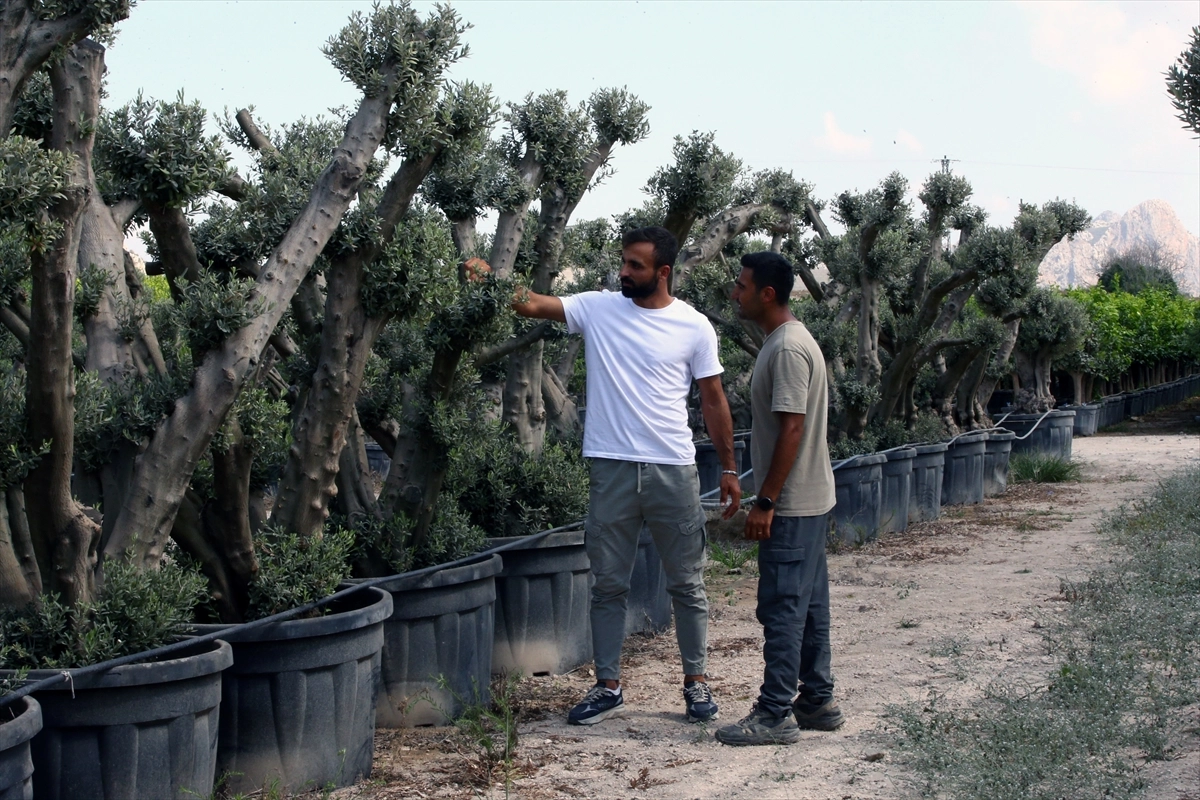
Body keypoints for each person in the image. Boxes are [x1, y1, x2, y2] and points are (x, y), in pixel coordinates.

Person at [512, 226, 741, 726]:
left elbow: (714, 399)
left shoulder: (694, 326)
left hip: (673, 469)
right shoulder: (598, 308)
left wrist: (728, 467)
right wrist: (487, 277)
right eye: (623, 262)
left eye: (635, 265)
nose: (624, 272)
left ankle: (696, 683)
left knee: (687, 584)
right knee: (607, 585)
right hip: (610, 468)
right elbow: (531, 304)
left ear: (663, 272)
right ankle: (608, 686)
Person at [715, 251, 843, 747]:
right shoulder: (786, 340)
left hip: (791, 505)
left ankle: (775, 713)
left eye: (742, 286)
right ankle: (816, 700)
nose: (735, 293)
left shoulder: (788, 347)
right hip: (809, 498)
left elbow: (792, 429)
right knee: (808, 606)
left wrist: (766, 502)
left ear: (767, 294)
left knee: (783, 607)